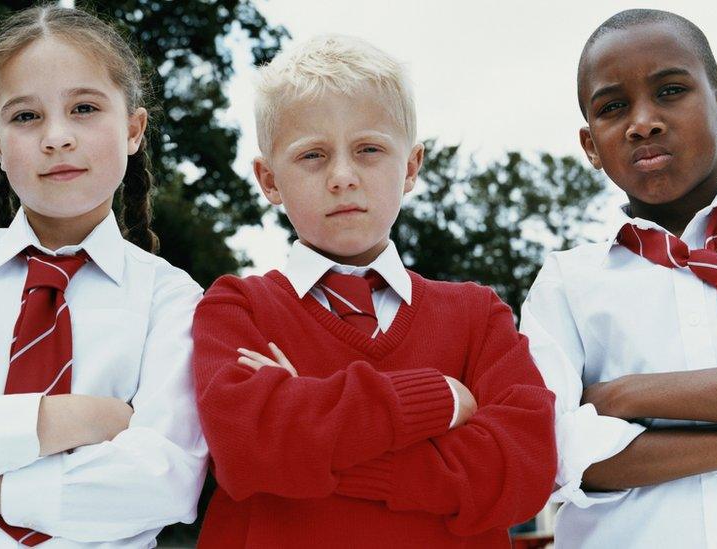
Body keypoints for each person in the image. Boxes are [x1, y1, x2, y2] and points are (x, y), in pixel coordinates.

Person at [191, 34, 557, 548]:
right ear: (268, 180)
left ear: (410, 167)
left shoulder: (477, 315)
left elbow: (523, 471)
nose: (343, 177)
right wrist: (438, 399)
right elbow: (249, 449)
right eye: (312, 155)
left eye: (369, 149)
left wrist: (310, 430)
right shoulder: (235, 306)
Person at [0, 5, 208, 547]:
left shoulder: (174, 302)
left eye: (84, 108)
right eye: (25, 116)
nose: (56, 137)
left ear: (134, 130)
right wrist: (68, 419)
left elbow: (162, 485)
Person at [521, 8, 717, 548]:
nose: (642, 121)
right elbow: (560, 452)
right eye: (613, 106)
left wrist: (623, 397)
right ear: (591, 146)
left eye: (670, 91)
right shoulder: (564, 285)